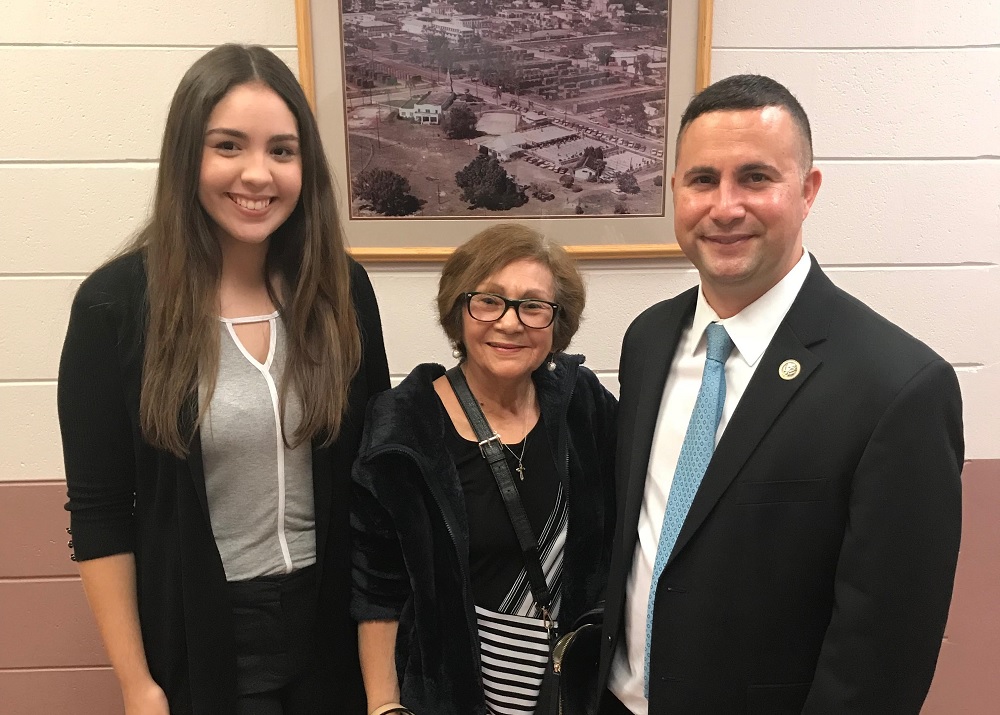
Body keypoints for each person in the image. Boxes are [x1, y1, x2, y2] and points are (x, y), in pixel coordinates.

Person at [598, 74, 964, 715]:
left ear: (808, 190)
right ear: (676, 192)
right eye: (703, 179)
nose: (725, 206)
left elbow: (881, 658)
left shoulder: (897, 389)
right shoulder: (649, 340)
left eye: (756, 178)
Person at [58, 44, 389, 715]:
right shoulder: (115, 308)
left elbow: (374, 478)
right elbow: (99, 516)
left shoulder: (340, 292)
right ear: (188, 157)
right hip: (207, 637)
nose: (257, 174)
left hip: (331, 631)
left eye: (282, 150)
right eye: (229, 146)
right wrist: (137, 684)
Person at [351, 224, 618, 715]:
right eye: (489, 301)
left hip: (567, 690)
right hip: (452, 694)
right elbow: (377, 586)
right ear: (459, 311)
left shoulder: (583, 406)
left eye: (533, 306)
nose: (511, 323)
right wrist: (385, 705)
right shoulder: (404, 429)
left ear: (558, 323)